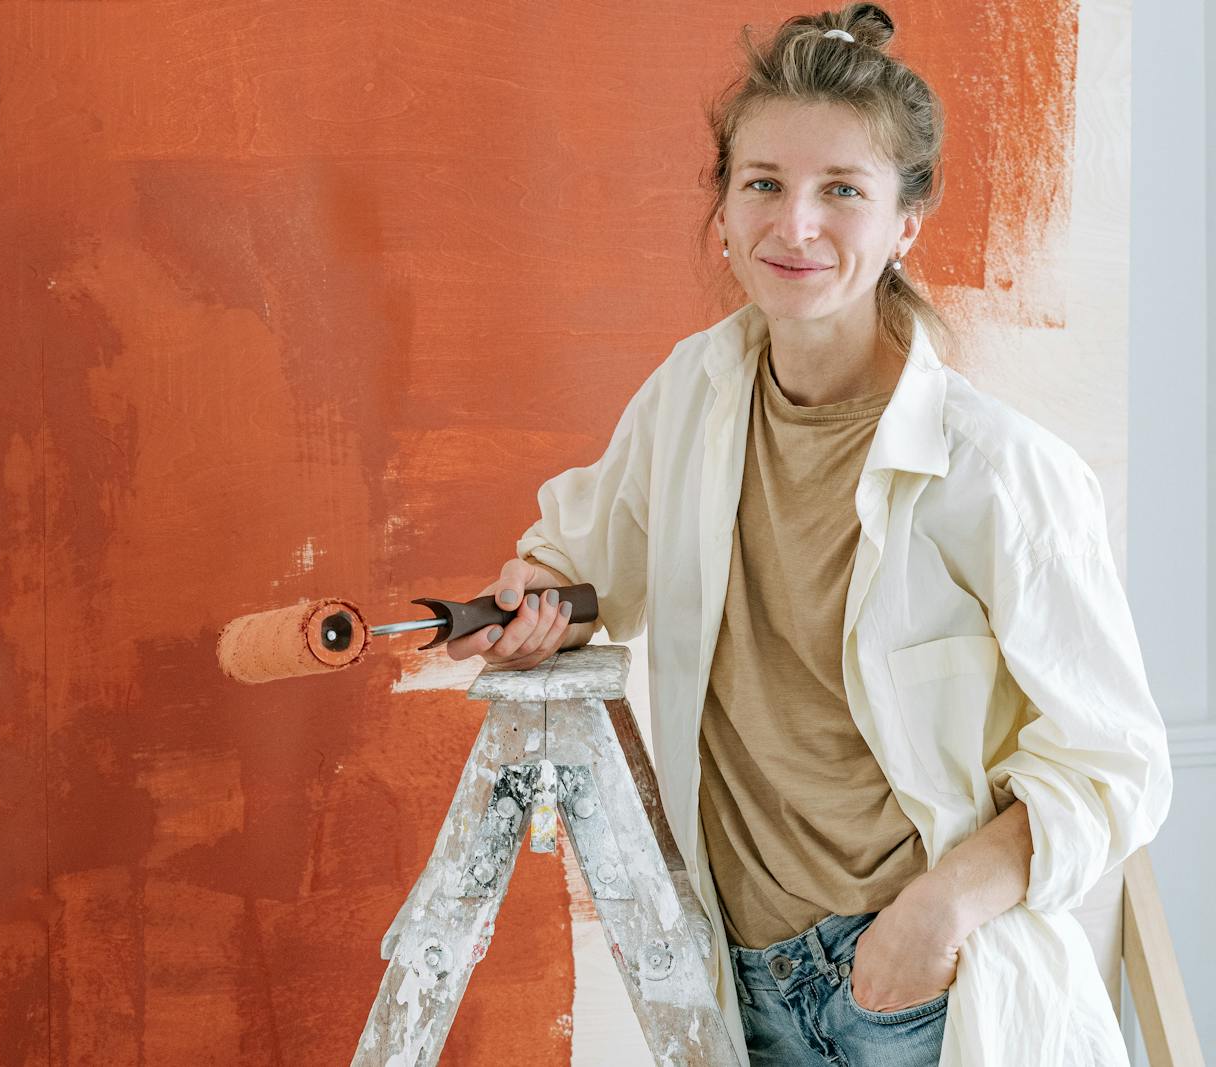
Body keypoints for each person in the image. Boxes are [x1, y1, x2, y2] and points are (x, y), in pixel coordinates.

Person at [446, 5, 1173, 1066]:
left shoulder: (996, 469)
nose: (794, 226)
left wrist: (930, 919)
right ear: (725, 208)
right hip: (738, 982)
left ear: (905, 223)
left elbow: (1117, 763)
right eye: (763, 184)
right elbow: (584, 558)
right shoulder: (687, 399)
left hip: (917, 996)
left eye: (841, 189)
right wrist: (538, 598)